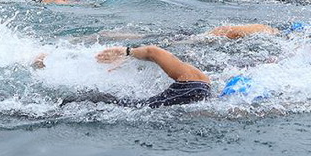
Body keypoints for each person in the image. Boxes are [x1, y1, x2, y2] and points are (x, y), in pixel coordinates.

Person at [60, 45, 211, 109]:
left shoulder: (199, 83)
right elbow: (154, 52)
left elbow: (153, 52)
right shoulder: (197, 85)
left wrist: (127, 52)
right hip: (115, 105)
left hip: (113, 104)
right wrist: (125, 52)